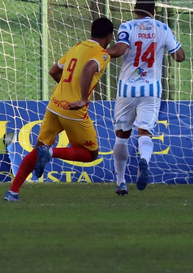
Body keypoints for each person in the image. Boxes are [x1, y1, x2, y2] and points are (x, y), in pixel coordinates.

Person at [4, 18, 115, 201]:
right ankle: (51, 153)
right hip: (73, 109)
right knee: (90, 154)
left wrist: (66, 88)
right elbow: (89, 68)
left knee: (38, 148)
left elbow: (54, 71)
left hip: (55, 104)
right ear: (110, 37)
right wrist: (80, 98)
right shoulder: (102, 53)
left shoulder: (78, 46)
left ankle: (13, 191)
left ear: (92, 32)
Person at [106, 0, 185, 195]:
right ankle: (145, 160)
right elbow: (179, 56)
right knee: (145, 132)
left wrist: (101, 52)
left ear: (135, 10)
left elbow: (120, 50)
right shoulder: (163, 28)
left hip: (127, 89)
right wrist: (167, 45)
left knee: (122, 136)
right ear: (154, 11)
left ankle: (121, 182)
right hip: (151, 89)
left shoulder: (128, 26)